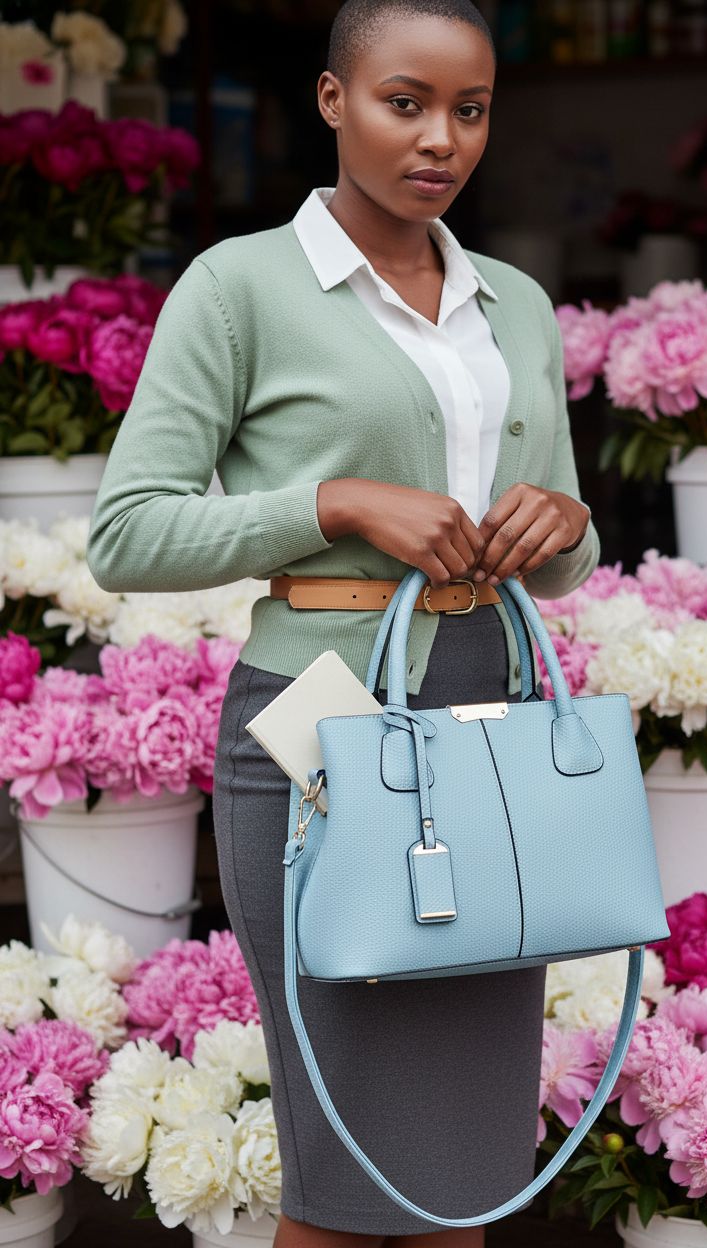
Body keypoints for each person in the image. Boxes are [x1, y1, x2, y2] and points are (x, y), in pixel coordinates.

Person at [86, 0, 600, 1243]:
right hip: (320, 734)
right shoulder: (240, 285)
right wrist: (332, 504)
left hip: (488, 717)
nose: (440, 139)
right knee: (343, 1157)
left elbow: (576, 559)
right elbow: (127, 533)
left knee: (465, 1159)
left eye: (467, 110)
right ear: (332, 101)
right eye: (403, 102)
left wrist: (560, 526)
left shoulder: (516, 303)